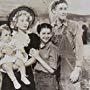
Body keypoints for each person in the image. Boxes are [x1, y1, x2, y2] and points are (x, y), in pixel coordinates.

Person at [1, 6, 54, 90]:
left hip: (26, 73)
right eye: (22, 20)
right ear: (16, 23)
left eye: (27, 20)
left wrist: (20, 66)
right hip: (9, 74)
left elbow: (34, 58)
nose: (25, 23)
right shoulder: (9, 37)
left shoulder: (34, 37)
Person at [49, 0, 83, 90]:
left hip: (70, 66)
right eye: (60, 9)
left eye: (65, 9)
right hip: (56, 67)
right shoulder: (51, 28)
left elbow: (79, 47)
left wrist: (77, 69)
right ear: (54, 11)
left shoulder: (74, 25)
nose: (64, 11)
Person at [33, 23, 60, 90]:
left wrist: (38, 57)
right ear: (39, 34)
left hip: (48, 80)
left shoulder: (53, 48)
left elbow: (52, 70)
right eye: (43, 33)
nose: (46, 36)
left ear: (51, 34)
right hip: (37, 78)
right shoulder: (36, 45)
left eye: (48, 33)